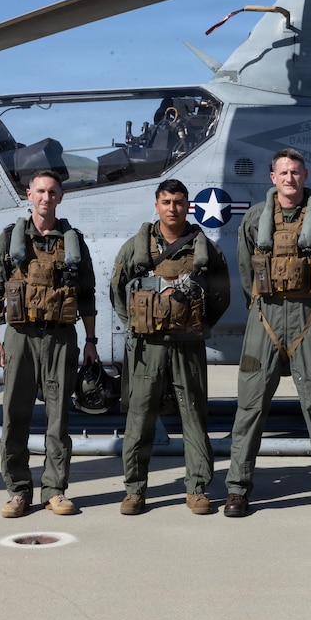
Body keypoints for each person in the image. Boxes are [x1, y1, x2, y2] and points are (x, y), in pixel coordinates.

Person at [225, 148, 311, 519]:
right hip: (264, 317)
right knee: (250, 405)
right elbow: (246, 266)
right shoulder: (254, 219)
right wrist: (259, 304)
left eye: (295, 172)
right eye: (283, 172)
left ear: (305, 175)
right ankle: (237, 489)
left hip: (309, 317)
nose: (290, 178)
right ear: (272, 177)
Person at [110, 178, 230, 515]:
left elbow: (222, 294)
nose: (172, 208)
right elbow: (118, 290)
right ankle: (134, 490)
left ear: (187, 205)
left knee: (194, 416)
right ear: (157, 205)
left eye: (179, 202)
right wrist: (135, 322)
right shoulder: (137, 248)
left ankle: (197, 488)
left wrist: (199, 324)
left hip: (187, 346)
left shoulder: (204, 249)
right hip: (147, 347)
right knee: (140, 419)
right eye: (166, 202)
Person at [0, 169, 98, 518]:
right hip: (20, 336)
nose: (46, 197)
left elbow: (88, 295)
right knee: (14, 416)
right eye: (40, 191)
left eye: (52, 192)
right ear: (28, 194)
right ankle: (19, 490)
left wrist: (91, 341)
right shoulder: (8, 240)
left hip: (61, 336)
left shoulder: (74, 241)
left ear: (60, 197)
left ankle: (55, 490)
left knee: (58, 418)